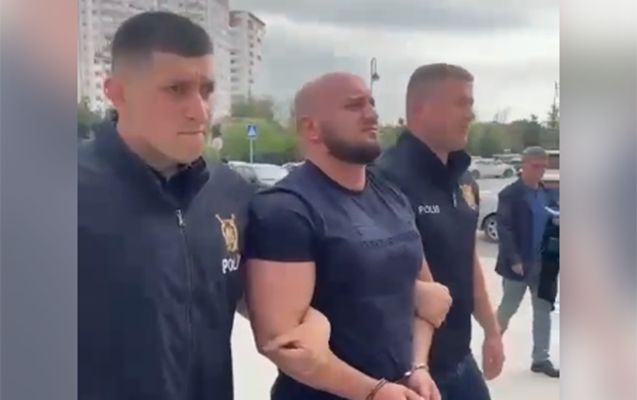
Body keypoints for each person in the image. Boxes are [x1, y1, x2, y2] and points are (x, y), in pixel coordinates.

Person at [78, 12, 256, 400]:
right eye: (176, 90)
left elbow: (269, 307)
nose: (200, 111)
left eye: (206, 90)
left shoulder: (229, 191)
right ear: (116, 93)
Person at [244, 72, 453, 400]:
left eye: (372, 103)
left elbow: (430, 301)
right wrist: (374, 392)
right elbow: (283, 343)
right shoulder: (286, 209)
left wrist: (417, 368)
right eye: (354, 106)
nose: (372, 114)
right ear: (311, 128)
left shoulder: (392, 197)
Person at [374, 63, 504, 400]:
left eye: (471, 103)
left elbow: (466, 257)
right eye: (461, 103)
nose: (470, 114)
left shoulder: (463, 178)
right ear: (421, 109)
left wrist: (491, 330)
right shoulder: (384, 180)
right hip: (407, 371)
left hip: (459, 358)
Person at [495, 146, 560, 378]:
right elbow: (504, 228)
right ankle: (492, 346)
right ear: (523, 165)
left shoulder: (549, 193)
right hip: (519, 265)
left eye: (544, 166)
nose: (540, 171)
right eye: (535, 166)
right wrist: (514, 259)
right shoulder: (510, 194)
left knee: (543, 310)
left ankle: (540, 359)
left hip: (545, 265)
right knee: (508, 308)